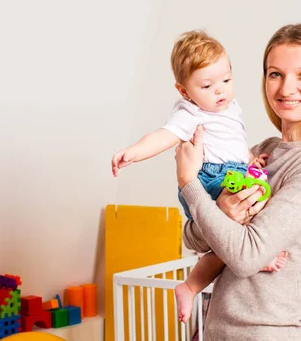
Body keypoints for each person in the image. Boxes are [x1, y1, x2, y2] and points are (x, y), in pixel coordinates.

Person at [175, 23, 301, 340]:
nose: (285, 88)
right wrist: (221, 213)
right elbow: (193, 238)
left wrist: (188, 182)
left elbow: (247, 256)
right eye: (275, 74)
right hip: (220, 330)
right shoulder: (261, 152)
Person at [111, 30, 287, 323]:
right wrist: (133, 152)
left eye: (227, 80)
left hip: (231, 170)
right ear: (184, 91)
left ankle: (190, 286)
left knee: (225, 242)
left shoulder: (230, 107)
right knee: (251, 209)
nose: (220, 91)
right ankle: (260, 257)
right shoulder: (190, 112)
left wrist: (248, 160)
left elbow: (232, 139)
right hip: (209, 178)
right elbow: (162, 136)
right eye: (207, 85)